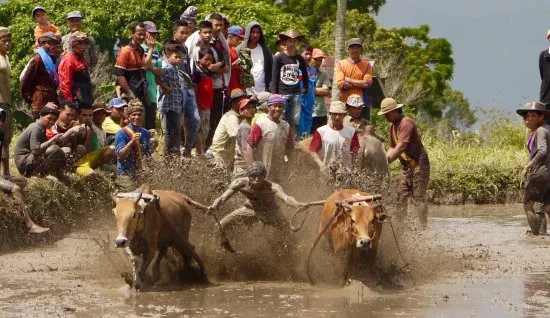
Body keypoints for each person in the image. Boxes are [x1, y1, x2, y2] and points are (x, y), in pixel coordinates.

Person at [208, 161, 304, 245]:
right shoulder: (240, 183)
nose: (257, 179)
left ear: (264, 176)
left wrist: (297, 205)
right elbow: (222, 198)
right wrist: (214, 206)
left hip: (271, 212)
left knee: (288, 234)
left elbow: (286, 198)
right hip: (250, 209)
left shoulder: (272, 187)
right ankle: (215, 249)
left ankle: (294, 251)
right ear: (248, 176)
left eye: (260, 176)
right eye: (254, 176)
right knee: (219, 226)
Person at [378, 97, 430, 227]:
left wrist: (387, 161)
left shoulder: (406, 123)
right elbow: (392, 147)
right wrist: (384, 161)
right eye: (385, 114)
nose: (386, 117)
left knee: (419, 197)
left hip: (419, 164)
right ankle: (399, 226)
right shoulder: (393, 127)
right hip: (407, 167)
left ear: (396, 110)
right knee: (401, 196)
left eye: (387, 114)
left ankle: (423, 225)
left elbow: (401, 146)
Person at [1, 107, 49, 233]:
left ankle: (17, 211)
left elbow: (4, 156)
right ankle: (30, 225)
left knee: (23, 182)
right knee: (15, 189)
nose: (1, 123)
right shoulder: (35, 128)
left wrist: (7, 175)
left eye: (2, 120)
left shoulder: (1, 136)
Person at [187, 14, 231, 147]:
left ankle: (207, 149)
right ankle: (196, 150)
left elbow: (225, 66)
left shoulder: (216, 46)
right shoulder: (196, 46)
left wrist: (215, 66)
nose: (216, 29)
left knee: (210, 123)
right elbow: (197, 67)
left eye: (220, 25)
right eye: (214, 26)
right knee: (197, 122)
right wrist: (213, 67)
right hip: (198, 88)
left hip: (213, 89)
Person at [113, 22, 156, 130]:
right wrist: (129, 93)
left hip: (141, 92)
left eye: (143, 34)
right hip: (131, 93)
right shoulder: (125, 51)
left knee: (144, 124)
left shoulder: (140, 49)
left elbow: (144, 65)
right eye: (138, 34)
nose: (141, 37)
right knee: (133, 125)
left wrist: (150, 48)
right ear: (132, 34)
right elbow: (120, 75)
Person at [516, 102, 550, 235]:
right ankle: (542, 234)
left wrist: (528, 166)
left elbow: (542, 151)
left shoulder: (541, 130)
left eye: (532, 115)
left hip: (541, 172)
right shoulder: (546, 129)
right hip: (548, 172)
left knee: (529, 203)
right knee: (546, 205)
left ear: (541, 117)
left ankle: (537, 234)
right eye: (527, 115)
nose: (528, 118)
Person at [246, 94, 293, 182]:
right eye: (274, 106)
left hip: (279, 170)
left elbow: (290, 148)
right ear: (268, 107)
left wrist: (290, 165)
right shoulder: (261, 124)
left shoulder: (286, 126)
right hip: (261, 171)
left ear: (283, 108)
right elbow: (250, 146)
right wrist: (251, 168)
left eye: (280, 106)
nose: (277, 109)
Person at [270, 30, 309, 135]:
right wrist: (275, 93)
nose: (292, 43)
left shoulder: (299, 58)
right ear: (285, 42)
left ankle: (291, 140)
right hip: (283, 92)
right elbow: (274, 76)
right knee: (281, 117)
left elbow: (305, 74)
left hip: (296, 92)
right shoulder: (279, 58)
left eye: (294, 41)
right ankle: (279, 138)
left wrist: (305, 87)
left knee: (295, 119)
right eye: (290, 41)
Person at [172, 19, 200, 157]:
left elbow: (187, 68)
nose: (184, 36)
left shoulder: (185, 48)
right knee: (178, 122)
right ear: (174, 32)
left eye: (186, 33)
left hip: (188, 88)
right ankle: (176, 152)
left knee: (195, 120)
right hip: (177, 89)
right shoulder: (170, 47)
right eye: (181, 33)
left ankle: (188, 150)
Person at [14, 104, 66, 178]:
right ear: (41, 115)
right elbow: (35, 150)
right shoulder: (36, 128)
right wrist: (52, 140)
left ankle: (52, 174)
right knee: (54, 149)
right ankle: (36, 174)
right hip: (25, 164)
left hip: (29, 160)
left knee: (59, 150)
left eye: (54, 120)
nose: (51, 122)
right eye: (49, 118)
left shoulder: (41, 128)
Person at [20, 32, 61, 119]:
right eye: (49, 43)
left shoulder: (52, 60)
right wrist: (31, 99)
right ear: (42, 44)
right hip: (40, 104)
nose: (52, 47)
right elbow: (25, 81)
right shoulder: (38, 60)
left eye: (54, 44)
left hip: (52, 103)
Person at [309, 101, 360, 171]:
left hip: (346, 172)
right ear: (330, 114)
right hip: (326, 171)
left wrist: (354, 169)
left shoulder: (351, 132)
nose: (337, 117)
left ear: (344, 115)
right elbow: (312, 150)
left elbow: (355, 151)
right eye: (334, 114)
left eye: (340, 114)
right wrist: (320, 164)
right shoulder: (321, 131)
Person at [114, 99, 153, 190]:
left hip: (139, 173)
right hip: (125, 174)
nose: (136, 117)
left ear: (143, 115)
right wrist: (131, 142)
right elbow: (120, 156)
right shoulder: (122, 133)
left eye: (139, 114)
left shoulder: (145, 132)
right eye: (133, 115)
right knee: (134, 195)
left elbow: (148, 155)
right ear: (128, 116)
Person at [208, 92, 252, 170]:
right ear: (234, 103)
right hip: (218, 159)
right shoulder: (232, 117)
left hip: (225, 158)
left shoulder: (239, 117)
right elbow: (237, 139)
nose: (245, 104)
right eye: (242, 101)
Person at [158, 40, 185, 156]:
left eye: (180, 57)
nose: (178, 59)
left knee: (177, 130)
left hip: (176, 105)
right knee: (170, 131)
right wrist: (164, 87)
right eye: (176, 57)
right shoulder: (167, 69)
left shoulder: (176, 70)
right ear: (168, 57)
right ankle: (169, 155)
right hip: (169, 106)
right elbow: (158, 79)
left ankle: (174, 153)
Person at [74, 105, 116, 176]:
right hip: (85, 159)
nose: (101, 116)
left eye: (103, 114)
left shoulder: (103, 131)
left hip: (95, 158)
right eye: (98, 114)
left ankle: (101, 169)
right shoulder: (88, 126)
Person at [58, 31, 94, 108]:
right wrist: (69, 104)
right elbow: (65, 84)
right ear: (73, 45)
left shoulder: (81, 57)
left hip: (85, 98)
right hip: (75, 101)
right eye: (80, 43)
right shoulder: (68, 59)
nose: (83, 47)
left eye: (85, 43)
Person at [334, 38, 373, 104]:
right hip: (344, 103)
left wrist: (348, 79)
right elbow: (342, 85)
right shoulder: (341, 64)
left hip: (360, 104)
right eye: (352, 47)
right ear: (348, 49)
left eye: (357, 47)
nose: (355, 50)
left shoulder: (367, 65)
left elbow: (367, 84)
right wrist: (361, 84)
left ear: (361, 49)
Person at [238, 22, 273, 95]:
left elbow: (270, 69)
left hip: (263, 90)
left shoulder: (265, 50)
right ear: (248, 33)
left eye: (258, 32)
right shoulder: (240, 48)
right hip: (245, 90)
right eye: (252, 32)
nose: (255, 35)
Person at [192, 46, 215, 155]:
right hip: (199, 105)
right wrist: (196, 104)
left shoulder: (209, 72)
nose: (208, 61)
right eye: (206, 59)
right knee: (199, 130)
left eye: (210, 59)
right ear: (199, 59)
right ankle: (198, 152)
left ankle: (202, 150)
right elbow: (194, 89)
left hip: (207, 105)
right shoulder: (197, 73)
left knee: (206, 129)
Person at [142, 21, 162, 127]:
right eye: (150, 33)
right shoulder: (140, 48)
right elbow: (145, 64)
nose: (153, 36)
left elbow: (160, 71)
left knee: (151, 125)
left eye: (155, 34)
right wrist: (150, 48)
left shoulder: (156, 50)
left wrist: (151, 68)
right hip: (143, 92)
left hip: (153, 93)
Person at [234, 95, 257, 178]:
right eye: (247, 108)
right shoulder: (245, 127)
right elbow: (245, 149)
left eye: (253, 107)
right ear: (241, 112)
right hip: (243, 166)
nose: (251, 110)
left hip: (242, 165)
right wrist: (251, 168)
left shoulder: (247, 126)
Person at [0, 27, 13, 177]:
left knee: (6, 138)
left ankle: (7, 173)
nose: (7, 43)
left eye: (9, 40)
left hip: (6, 102)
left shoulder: (6, 57)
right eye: (4, 41)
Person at [310, 48, 331, 134]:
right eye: (316, 59)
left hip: (321, 112)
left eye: (320, 60)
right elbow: (301, 89)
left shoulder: (323, 73)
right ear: (310, 58)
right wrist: (319, 92)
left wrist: (310, 90)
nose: (318, 62)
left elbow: (326, 90)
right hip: (308, 112)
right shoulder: (303, 71)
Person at [298, 44, 316, 137]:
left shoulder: (313, 70)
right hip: (299, 102)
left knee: (307, 128)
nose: (308, 56)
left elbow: (313, 87)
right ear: (300, 54)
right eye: (306, 54)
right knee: (298, 125)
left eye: (310, 54)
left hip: (309, 104)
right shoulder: (296, 69)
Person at [227, 26, 245, 93]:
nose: (240, 40)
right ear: (230, 36)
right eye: (238, 38)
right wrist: (234, 64)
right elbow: (223, 70)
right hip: (229, 87)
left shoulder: (233, 50)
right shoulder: (225, 49)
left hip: (237, 86)